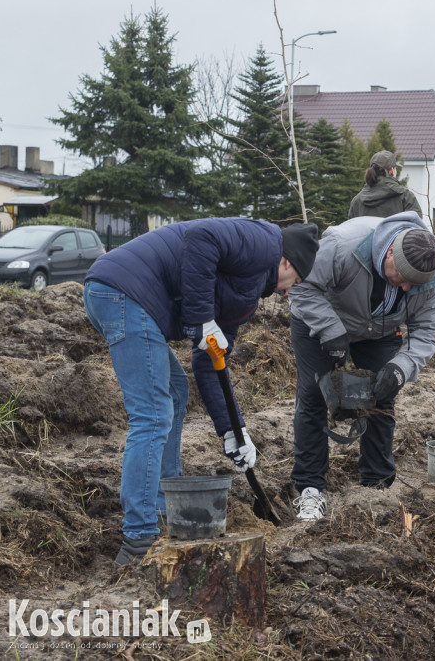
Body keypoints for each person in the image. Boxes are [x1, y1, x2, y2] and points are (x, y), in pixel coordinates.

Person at [83, 218, 320, 567]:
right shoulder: (263, 242)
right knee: (152, 414)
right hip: (123, 291)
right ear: (287, 263)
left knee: (176, 393)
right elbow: (201, 237)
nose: (287, 294)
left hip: (122, 295)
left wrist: (232, 430)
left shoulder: (249, 293)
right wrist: (200, 318)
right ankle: (139, 539)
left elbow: (211, 362)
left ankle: (163, 509)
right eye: (294, 282)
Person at [288, 212, 435, 520]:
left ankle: (377, 484)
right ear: (389, 251)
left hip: (380, 330)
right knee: (313, 394)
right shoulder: (342, 246)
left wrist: (401, 367)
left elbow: (430, 328)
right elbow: (300, 285)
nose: (403, 288)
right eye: (400, 277)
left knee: (382, 394)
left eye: (412, 285)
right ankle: (310, 489)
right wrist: (332, 331)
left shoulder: (431, 275)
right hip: (323, 321)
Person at [348, 150, 423, 219]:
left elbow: (352, 229)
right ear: (392, 171)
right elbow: (416, 227)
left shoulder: (357, 200)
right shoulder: (406, 197)